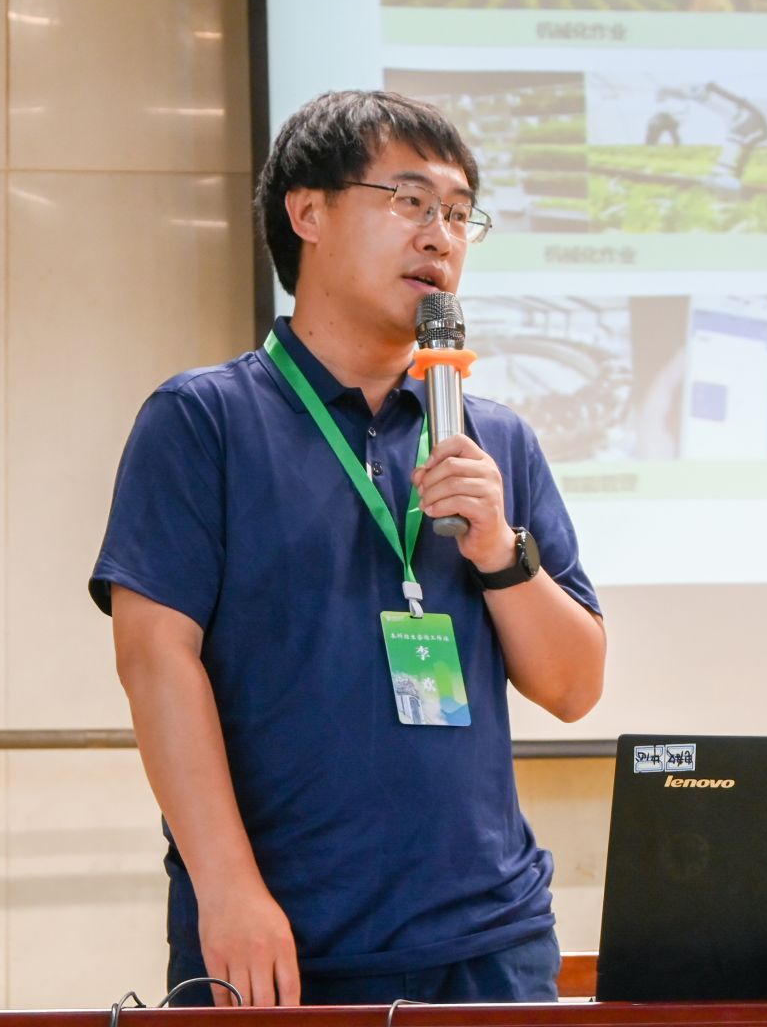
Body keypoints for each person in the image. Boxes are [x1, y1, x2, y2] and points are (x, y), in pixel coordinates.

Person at [89, 90, 606, 1008]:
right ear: (308, 213)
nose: (440, 236)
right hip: (282, 941)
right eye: (410, 201)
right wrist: (228, 890)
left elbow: (573, 687)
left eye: (459, 213)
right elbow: (155, 660)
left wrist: (499, 548)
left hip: (490, 941)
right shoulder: (204, 421)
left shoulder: (491, 441)